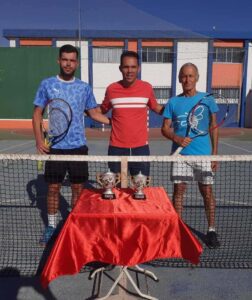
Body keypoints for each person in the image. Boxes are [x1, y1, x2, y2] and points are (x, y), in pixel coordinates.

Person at [32, 44, 110, 245]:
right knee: (53, 189)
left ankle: (73, 224)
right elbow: (37, 113)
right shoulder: (47, 84)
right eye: (65, 59)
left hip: (78, 147)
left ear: (77, 62)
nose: (68, 63)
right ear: (59, 60)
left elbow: (93, 113)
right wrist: (39, 140)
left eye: (72, 60)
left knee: (78, 189)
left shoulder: (84, 87)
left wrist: (116, 121)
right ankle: (51, 226)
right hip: (55, 147)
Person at [161, 62, 220, 249]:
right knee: (178, 192)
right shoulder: (173, 102)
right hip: (180, 156)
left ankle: (211, 230)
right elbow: (165, 128)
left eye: (190, 76)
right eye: (184, 76)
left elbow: (213, 127)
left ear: (197, 78)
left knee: (207, 193)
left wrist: (214, 155)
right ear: (179, 79)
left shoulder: (207, 98)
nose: (187, 80)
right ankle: (177, 228)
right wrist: (176, 137)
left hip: (203, 156)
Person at [98, 50, 163, 176]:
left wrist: (176, 110)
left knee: (140, 189)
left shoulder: (147, 87)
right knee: (115, 189)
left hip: (141, 148)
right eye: (126, 67)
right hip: (116, 148)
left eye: (133, 67)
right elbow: (101, 111)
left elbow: (157, 107)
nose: (130, 71)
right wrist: (110, 121)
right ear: (120, 68)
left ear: (138, 68)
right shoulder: (111, 89)